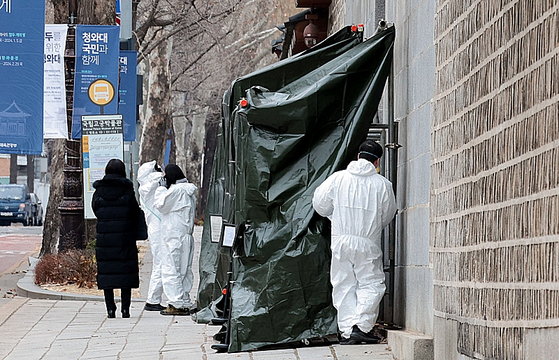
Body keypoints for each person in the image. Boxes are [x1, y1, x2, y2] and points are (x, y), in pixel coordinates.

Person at [312, 140, 397, 344]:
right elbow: (388, 214)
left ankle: (348, 330)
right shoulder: (383, 185)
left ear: (358, 156)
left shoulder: (338, 178)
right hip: (368, 241)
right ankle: (362, 326)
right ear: (377, 161)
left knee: (344, 283)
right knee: (371, 282)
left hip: (341, 240)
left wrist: (335, 215)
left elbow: (320, 204)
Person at [92, 159, 141, 319]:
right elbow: (134, 211)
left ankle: (110, 309)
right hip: (124, 237)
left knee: (108, 273)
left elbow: (96, 209)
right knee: (125, 273)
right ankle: (125, 310)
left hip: (105, 238)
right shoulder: (127, 190)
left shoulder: (99, 191)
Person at [154, 164, 197, 316]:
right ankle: (184, 300)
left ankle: (176, 303)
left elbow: (161, 205)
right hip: (186, 235)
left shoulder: (175, 191)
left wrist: (160, 189)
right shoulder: (188, 190)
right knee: (184, 270)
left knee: (171, 269)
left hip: (173, 236)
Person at [137, 160, 166, 312]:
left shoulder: (148, 188)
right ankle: (153, 299)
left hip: (158, 227)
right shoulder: (148, 188)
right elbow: (157, 178)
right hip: (157, 229)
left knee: (161, 262)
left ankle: (155, 298)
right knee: (160, 262)